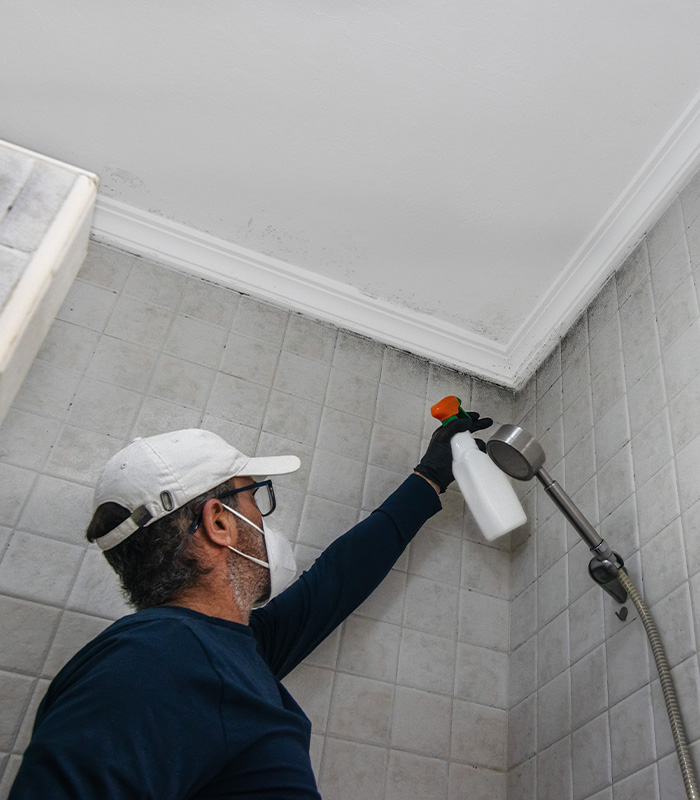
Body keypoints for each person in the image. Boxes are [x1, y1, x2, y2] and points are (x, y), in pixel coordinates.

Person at [9, 411, 492, 799]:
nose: (262, 516)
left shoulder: (229, 652)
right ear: (218, 522)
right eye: (255, 496)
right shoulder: (153, 662)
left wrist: (429, 477)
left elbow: (336, 582)